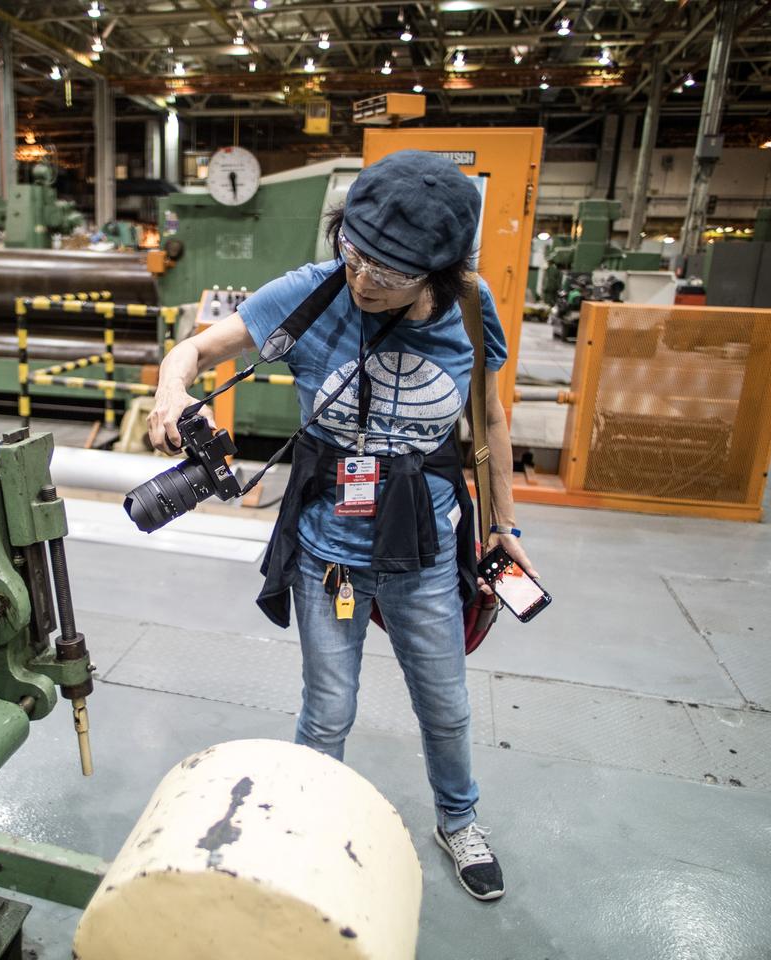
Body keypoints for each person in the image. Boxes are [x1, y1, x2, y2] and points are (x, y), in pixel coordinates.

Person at [147, 150, 538, 901]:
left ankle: (458, 819)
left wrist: (504, 525)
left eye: (386, 276)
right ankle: (305, 823)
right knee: (327, 711)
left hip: (424, 548)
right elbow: (194, 349)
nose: (361, 281)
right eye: (354, 256)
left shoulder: (469, 307)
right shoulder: (314, 293)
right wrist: (171, 391)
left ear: (438, 275)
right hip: (328, 552)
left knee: (447, 707)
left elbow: (487, 416)